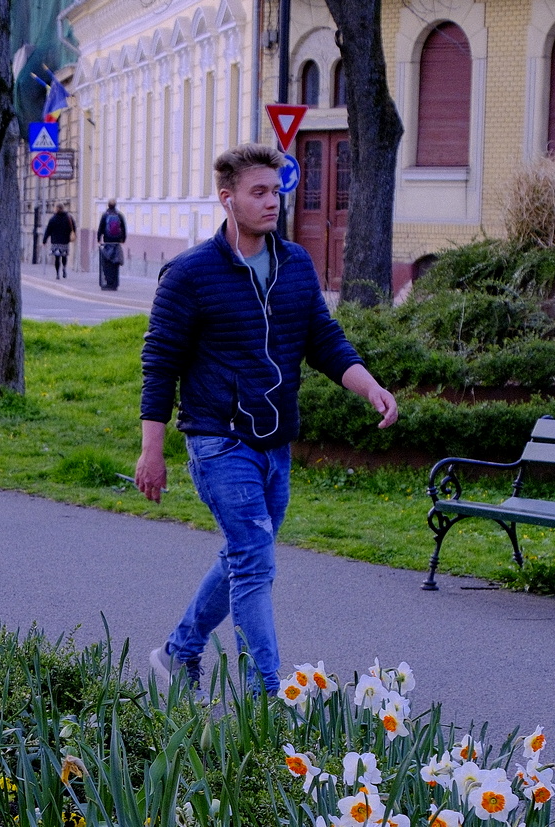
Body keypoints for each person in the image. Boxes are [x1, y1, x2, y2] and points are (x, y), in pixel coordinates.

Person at [136, 142, 399, 699]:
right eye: (258, 192)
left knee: (244, 555)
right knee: (255, 564)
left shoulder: (294, 264)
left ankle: (178, 651)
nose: (272, 201)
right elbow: (160, 365)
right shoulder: (190, 274)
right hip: (218, 439)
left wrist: (370, 386)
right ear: (227, 198)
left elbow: (324, 341)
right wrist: (151, 451)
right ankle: (267, 698)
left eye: (276, 190)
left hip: (276, 442)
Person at [95, 199, 127, 291]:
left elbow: (101, 227)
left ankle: (108, 282)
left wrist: (98, 238)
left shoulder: (105, 215)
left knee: (107, 262)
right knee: (115, 263)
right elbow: (123, 228)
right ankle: (115, 283)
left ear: (108, 205)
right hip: (116, 243)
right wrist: (123, 239)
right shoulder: (119, 215)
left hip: (107, 242)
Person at [43, 204, 75, 279]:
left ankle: (57, 274)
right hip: (65, 241)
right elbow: (73, 227)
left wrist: (44, 240)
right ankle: (64, 267)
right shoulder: (68, 217)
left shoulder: (53, 219)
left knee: (57, 258)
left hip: (55, 242)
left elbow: (48, 230)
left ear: (56, 209)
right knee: (64, 256)